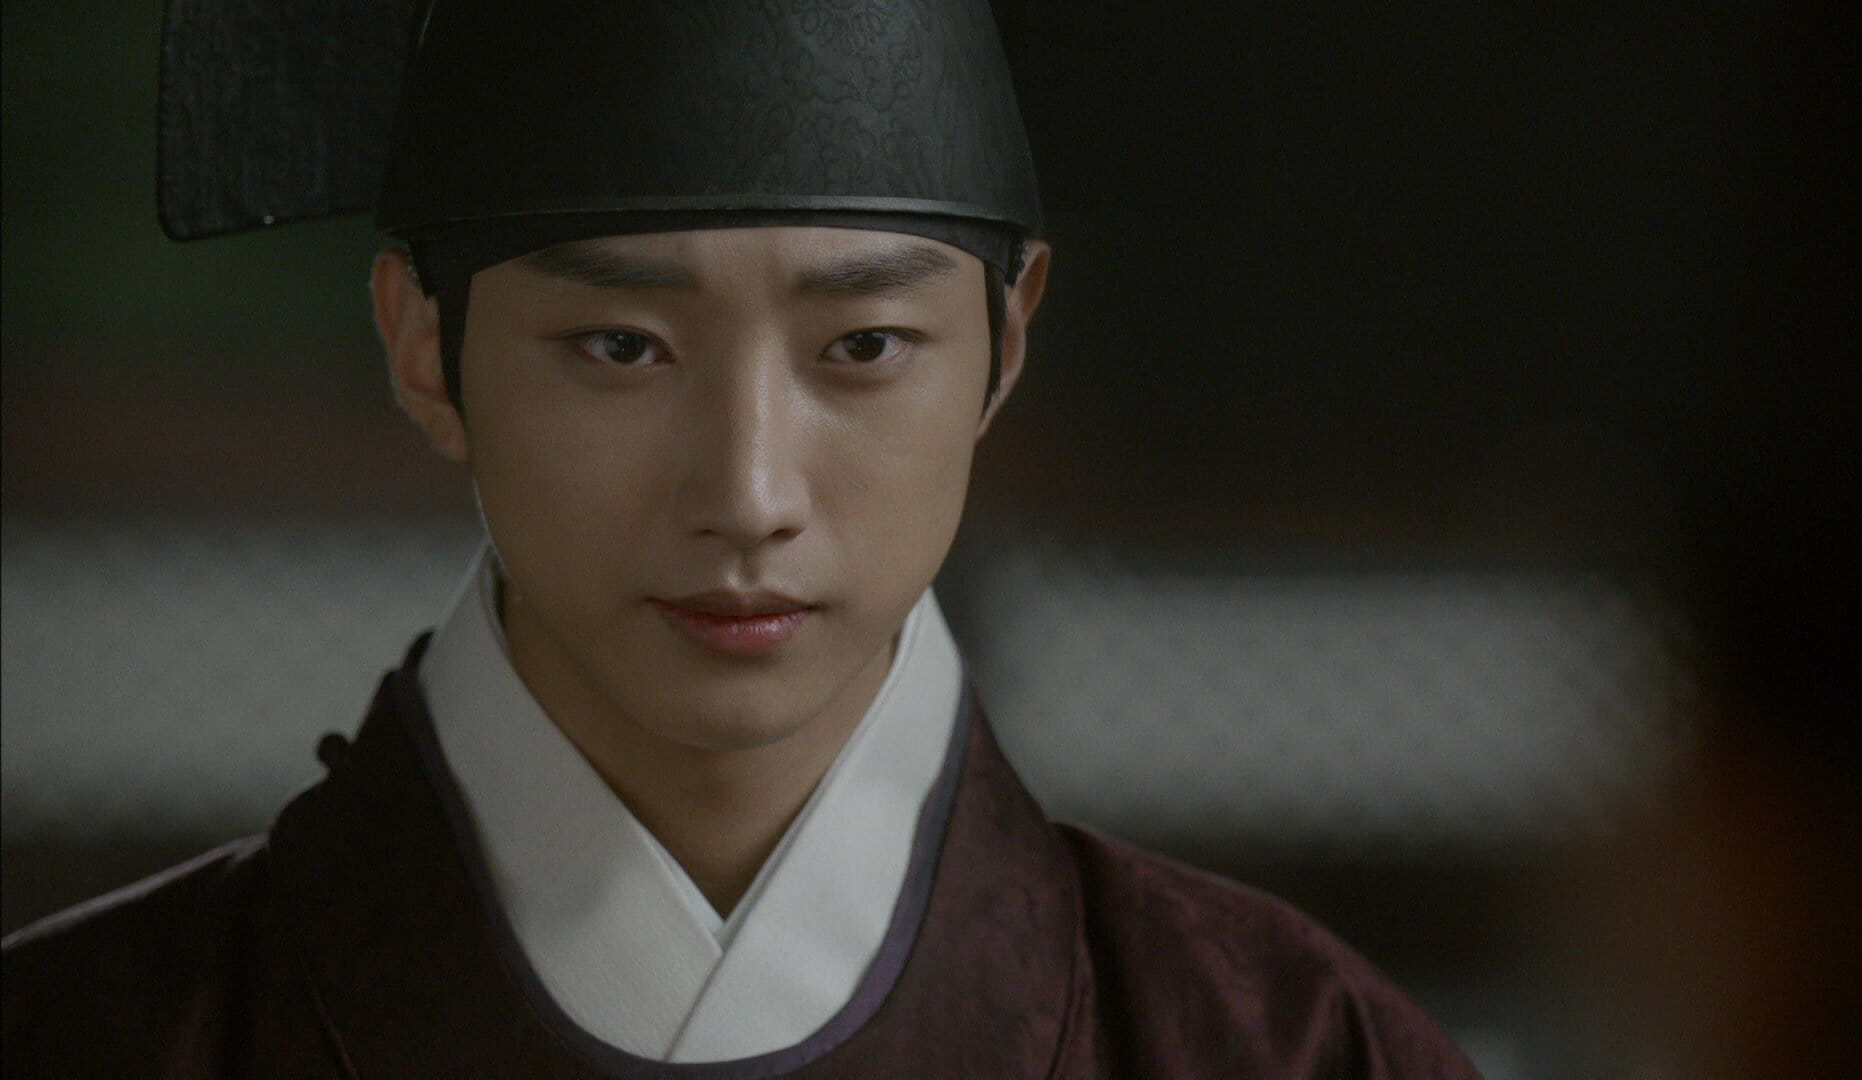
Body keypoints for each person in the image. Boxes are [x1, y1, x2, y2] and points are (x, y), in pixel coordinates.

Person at [2, 1, 1481, 1075]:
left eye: (865, 347)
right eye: (622, 347)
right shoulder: (88, 1036)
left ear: (1007, 340)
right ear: (424, 349)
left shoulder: (1292, 1047)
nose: (750, 491)